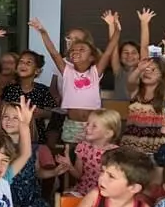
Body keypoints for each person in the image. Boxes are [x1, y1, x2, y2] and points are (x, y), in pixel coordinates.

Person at [30, 13, 118, 144]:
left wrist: (117, 29)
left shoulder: (95, 72)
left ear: (92, 57)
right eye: (73, 50)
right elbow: (53, 52)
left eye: (82, 49)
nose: (76, 51)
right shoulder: (67, 71)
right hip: (71, 124)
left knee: (90, 156)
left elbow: (109, 51)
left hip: (92, 125)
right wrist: (43, 32)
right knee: (70, 156)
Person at [3, 102, 63, 207]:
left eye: (16, 118)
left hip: (30, 198)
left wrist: (55, 172)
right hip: (7, 198)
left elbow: (37, 172)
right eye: (5, 117)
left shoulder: (34, 148)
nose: (9, 120)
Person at [121, 32, 165, 157]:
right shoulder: (135, 92)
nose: (147, 72)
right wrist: (139, 69)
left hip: (154, 146)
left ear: (162, 75)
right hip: (131, 144)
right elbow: (131, 80)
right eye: (145, 70)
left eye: (153, 70)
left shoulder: (163, 95)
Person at [0, 50, 57, 145]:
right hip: (11, 137)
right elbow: (2, 110)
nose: (23, 65)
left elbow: (52, 114)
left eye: (28, 63)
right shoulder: (9, 89)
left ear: (37, 70)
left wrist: (42, 113)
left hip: (36, 137)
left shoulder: (42, 90)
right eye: (21, 62)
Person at [64, 109, 122, 197]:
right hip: (83, 190)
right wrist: (69, 165)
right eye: (88, 124)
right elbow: (78, 175)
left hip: (105, 193)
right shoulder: (82, 147)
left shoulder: (115, 152)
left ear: (108, 133)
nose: (87, 128)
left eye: (94, 126)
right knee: (67, 198)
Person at [109, 8, 154, 101]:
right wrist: (111, 25)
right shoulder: (118, 71)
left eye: (134, 53)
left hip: (137, 110)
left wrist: (144, 23)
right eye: (126, 53)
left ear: (139, 56)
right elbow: (113, 48)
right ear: (120, 57)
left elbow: (144, 47)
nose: (129, 56)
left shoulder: (142, 70)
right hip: (119, 109)